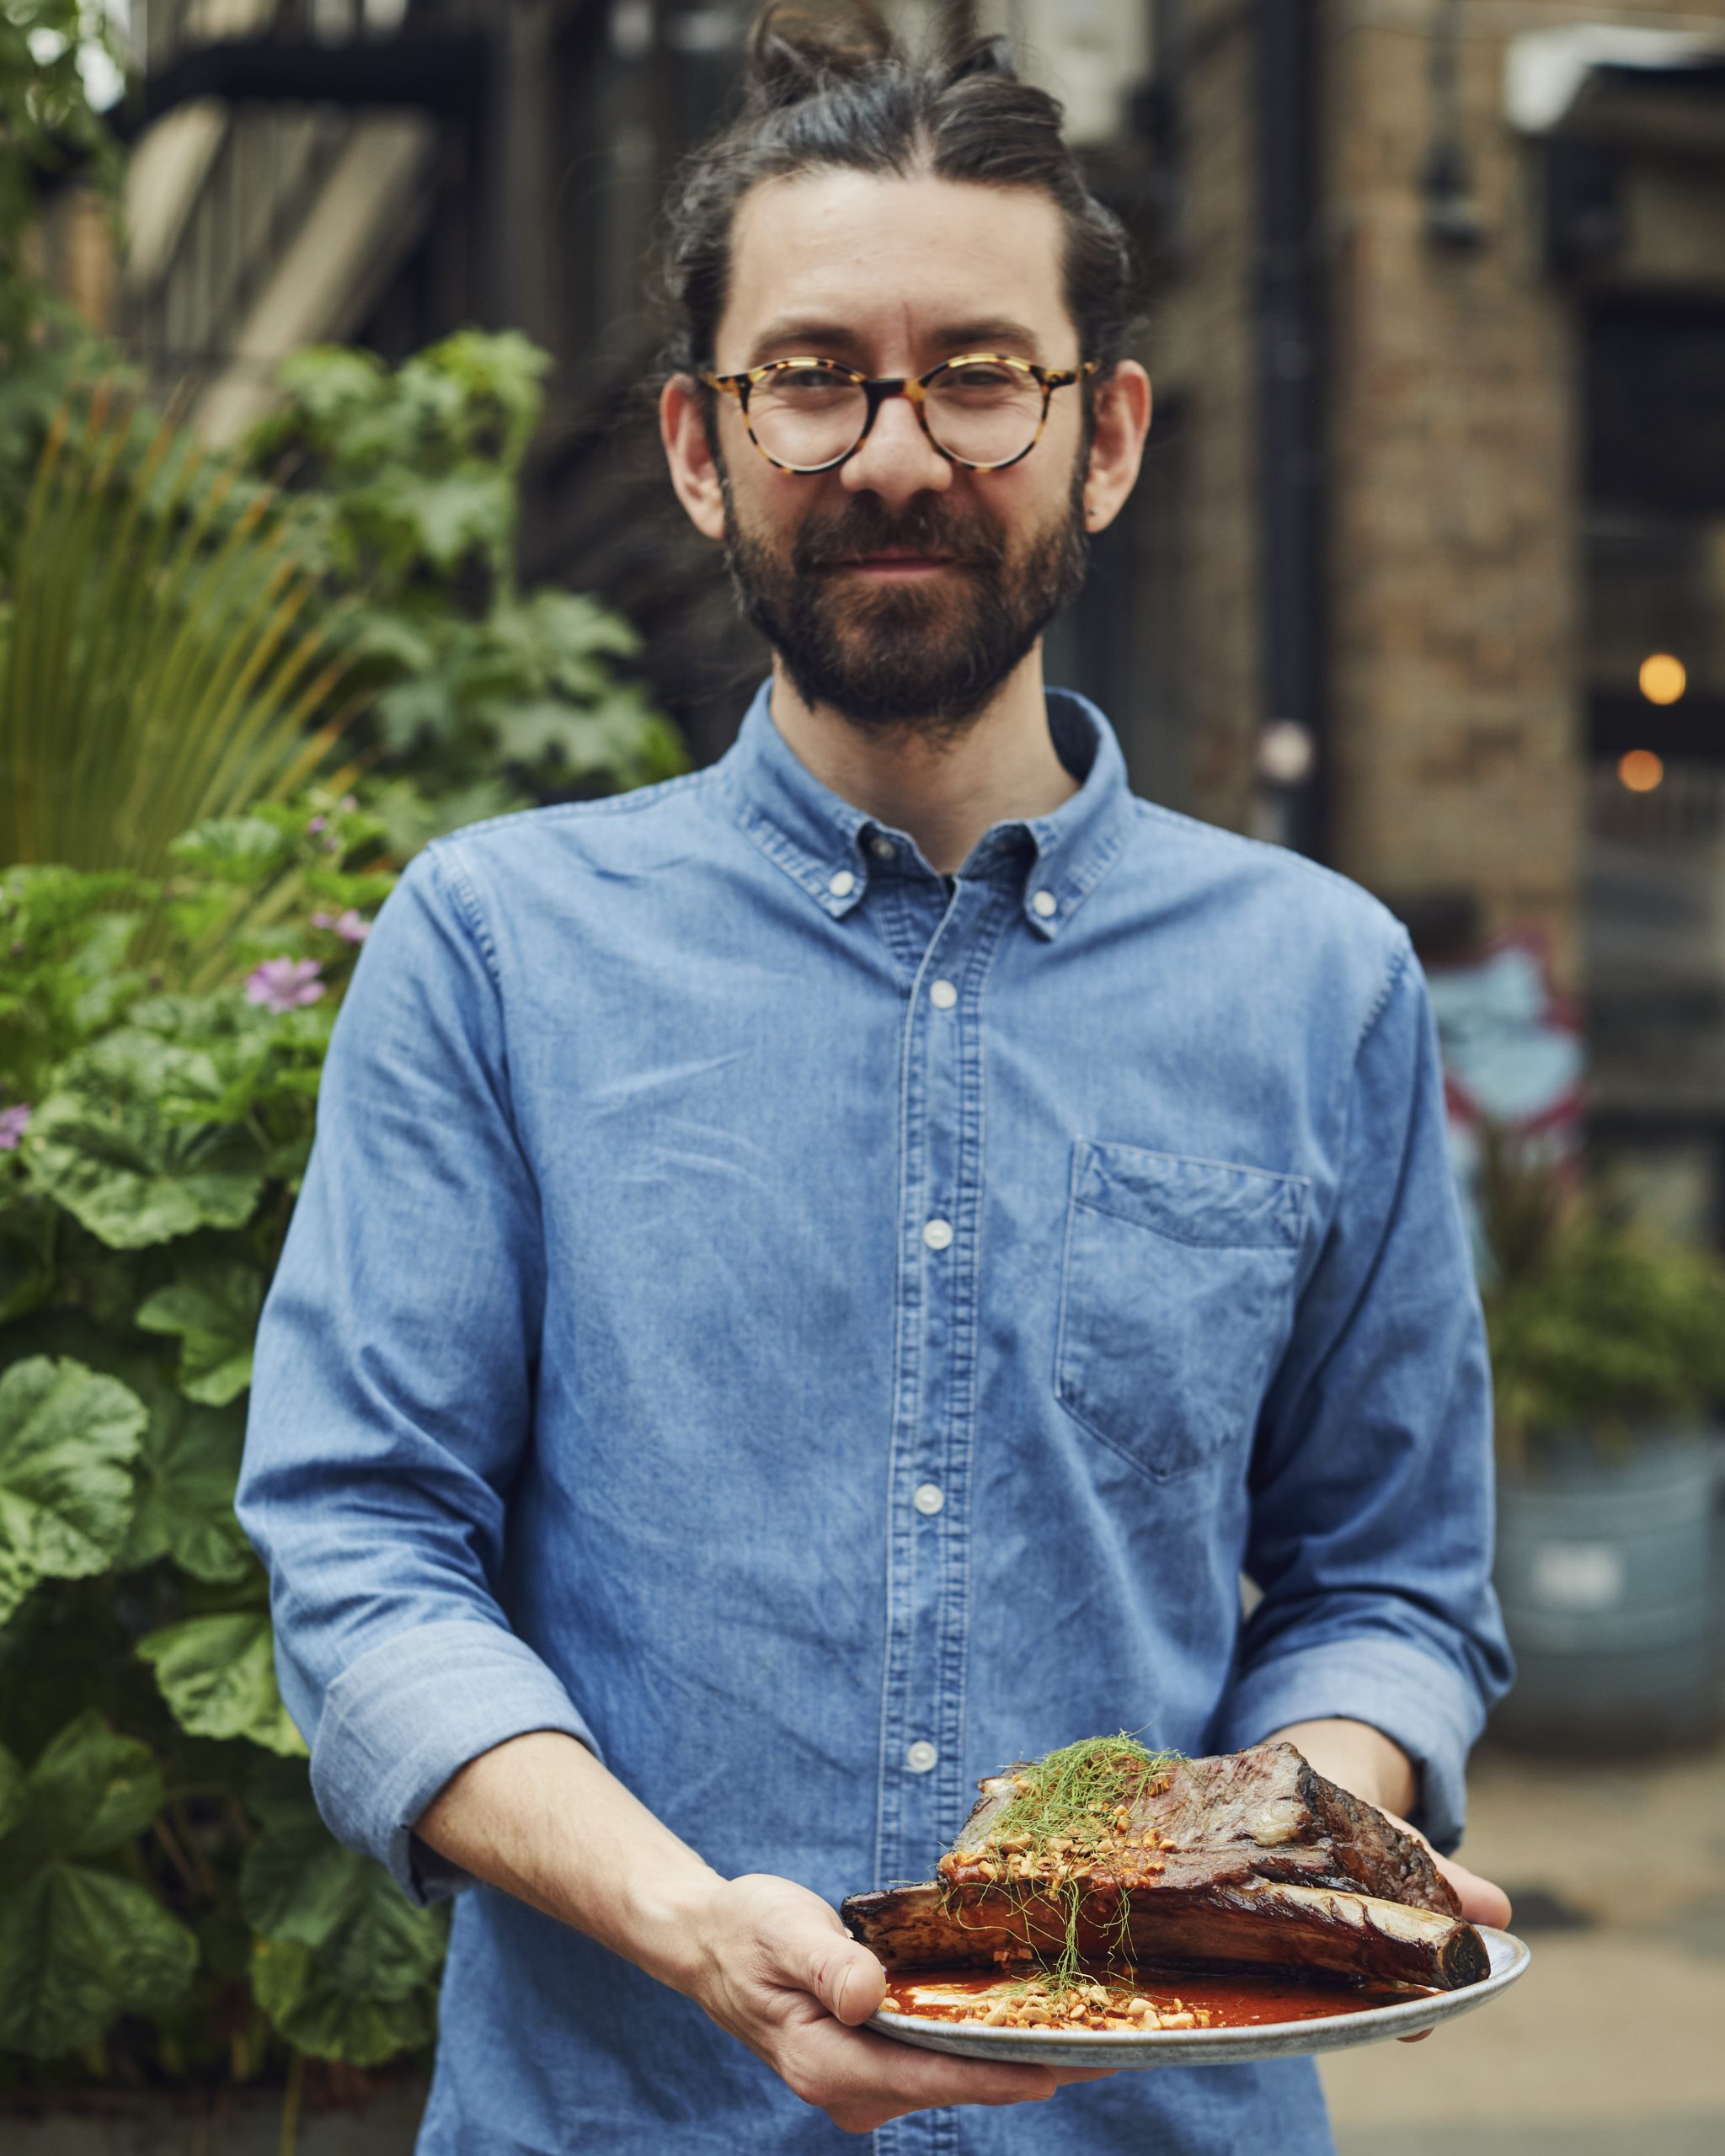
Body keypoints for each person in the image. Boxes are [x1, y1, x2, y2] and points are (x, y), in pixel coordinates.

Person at [237, 8, 1514, 2152]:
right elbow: (366, 1546)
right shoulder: (495, 950)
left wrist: (1267, 1849)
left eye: (978, 374)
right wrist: (682, 1921)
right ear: (697, 442)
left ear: (1103, 436)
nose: (897, 450)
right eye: (814, 375)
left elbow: (1388, 1577)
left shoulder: (1323, 984)